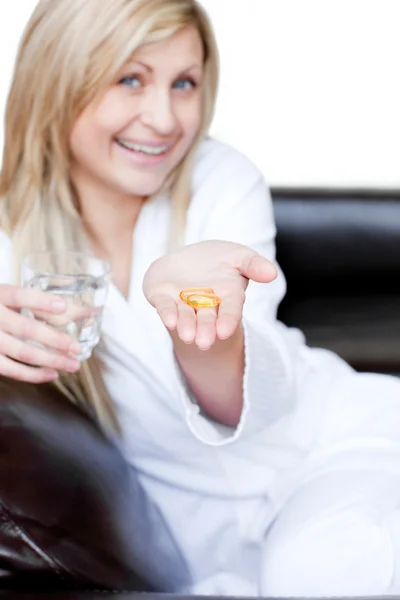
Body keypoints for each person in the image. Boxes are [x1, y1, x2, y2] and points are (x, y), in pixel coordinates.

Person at [1, 0, 400, 596]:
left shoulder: (220, 179)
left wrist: (202, 322)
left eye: (183, 83)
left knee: (319, 573)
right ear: (57, 80)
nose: (163, 119)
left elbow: (245, 408)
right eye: (130, 79)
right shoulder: (12, 241)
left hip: (326, 450)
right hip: (196, 530)